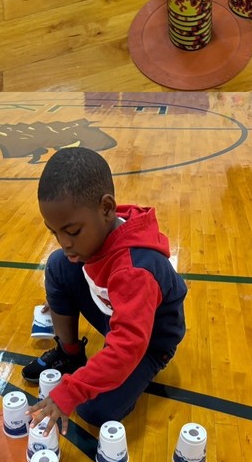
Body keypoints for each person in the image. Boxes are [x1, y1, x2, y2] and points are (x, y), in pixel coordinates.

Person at [24, 147, 187, 432]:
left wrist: (70, 392)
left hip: (149, 342)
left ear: (107, 208)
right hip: (113, 310)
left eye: (72, 231)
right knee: (59, 264)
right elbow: (74, 264)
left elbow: (127, 347)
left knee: (93, 409)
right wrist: (61, 295)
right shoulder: (96, 234)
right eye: (54, 232)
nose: (64, 242)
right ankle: (70, 353)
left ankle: (132, 381)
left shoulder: (135, 270)